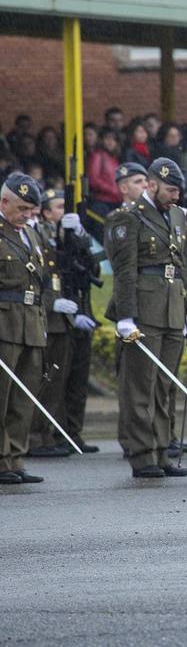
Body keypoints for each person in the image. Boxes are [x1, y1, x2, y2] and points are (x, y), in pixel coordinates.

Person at [106, 158, 187, 479]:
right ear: (152, 185)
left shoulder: (177, 216)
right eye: (170, 189)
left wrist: (186, 309)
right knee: (140, 386)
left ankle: (160, 451)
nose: (175, 196)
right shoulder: (128, 218)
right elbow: (125, 270)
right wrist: (126, 317)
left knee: (163, 387)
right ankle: (142, 455)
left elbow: (181, 264)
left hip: (172, 309)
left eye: (178, 191)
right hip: (144, 310)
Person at [28, 189, 97, 458]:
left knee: (74, 380)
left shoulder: (68, 235)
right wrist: (51, 303)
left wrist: (80, 235)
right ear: (45, 212)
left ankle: (67, 433)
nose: (62, 212)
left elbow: (90, 266)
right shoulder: (41, 235)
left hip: (72, 314)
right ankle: (41, 436)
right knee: (49, 380)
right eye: (57, 207)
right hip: (51, 317)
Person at [0, 174, 48, 485]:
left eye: (32, 209)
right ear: (4, 202)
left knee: (23, 396)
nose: (29, 214)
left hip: (31, 322)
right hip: (4, 322)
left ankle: (16, 457)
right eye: (23, 208)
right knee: (1, 396)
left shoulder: (32, 235)